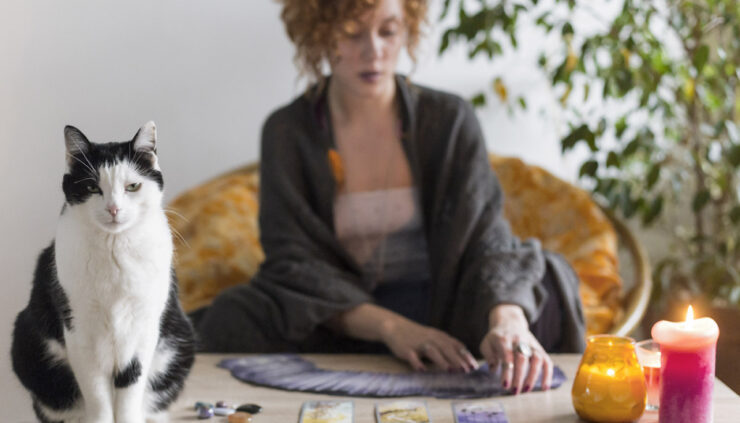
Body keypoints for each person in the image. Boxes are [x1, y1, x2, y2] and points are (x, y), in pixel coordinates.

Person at [194, 0, 586, 395]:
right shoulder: (287, 131)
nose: (374, 51)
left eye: (388, 30)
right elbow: (293, 262)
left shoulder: (449, 118)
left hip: (447, 310)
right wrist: (393, 328)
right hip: (345, 321)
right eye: (351, 32)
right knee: (234, 315)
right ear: (319, 34)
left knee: (548, 280)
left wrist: (507, 321)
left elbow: (486, 235)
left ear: (408, 31)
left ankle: (515, 364)